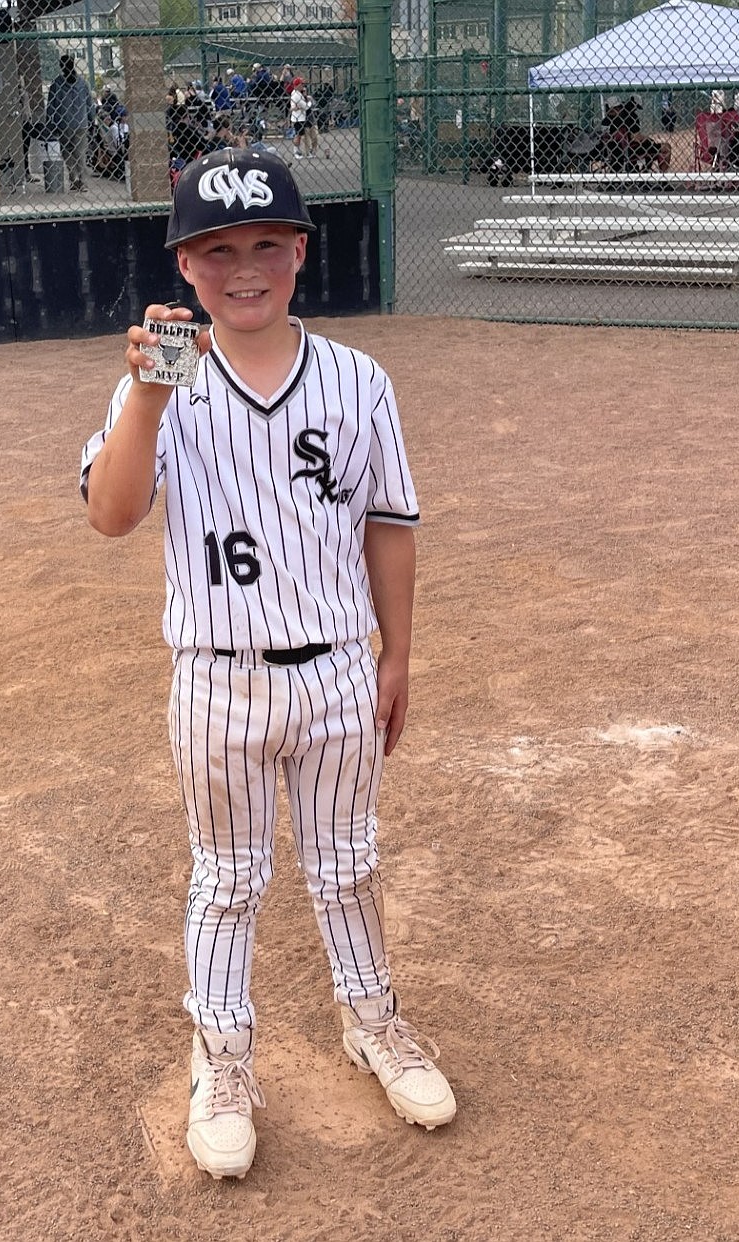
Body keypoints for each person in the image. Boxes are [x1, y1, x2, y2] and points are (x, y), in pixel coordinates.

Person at [79, 146, 456, 1182]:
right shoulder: (160, 378)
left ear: (298, 250)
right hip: (214, 671)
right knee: (228, 879)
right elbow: (112, 516)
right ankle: (223, 1058)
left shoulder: (356, 378)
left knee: (346, 866)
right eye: (215, 251)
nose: (242, 269)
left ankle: (372, 1020)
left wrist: (397, 655)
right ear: (184, 265)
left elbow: (387, 521)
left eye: (263, 245)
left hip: (335, 665)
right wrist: (148, 399)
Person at [45, 54, 94, 191]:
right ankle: (82, 181)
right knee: (80, 153)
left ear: (61, 67)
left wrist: (50, 122)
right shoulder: (83, 83)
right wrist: (91, 119)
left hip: (63, 123)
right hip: (81, 123)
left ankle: (73, 178)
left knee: (67, 152)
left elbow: (51, 106)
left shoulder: (56, 84)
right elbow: (89, 104)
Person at [599, 95, 671, 173]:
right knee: (666, 148)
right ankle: (663, 179)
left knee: (648, 145)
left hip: (610, 151)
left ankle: (643, 171)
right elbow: (636, 138)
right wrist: (647, 138)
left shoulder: (605, 121)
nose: (634, 109)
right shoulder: (630, 117)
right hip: (631, 150)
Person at [289, 77, 311, 158]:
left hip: (300, 117)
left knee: (300, 134)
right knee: (298, 135)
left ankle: (297, 150)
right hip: (298, 118)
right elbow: (305, 106)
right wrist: (309, 102)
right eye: (301, 84)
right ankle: (295, 151)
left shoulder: (297, 93)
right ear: (297, 85)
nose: (303, 85)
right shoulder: (296, 95)